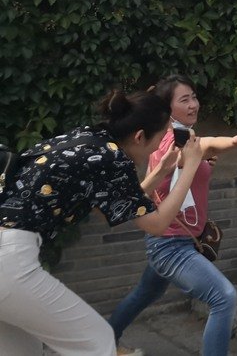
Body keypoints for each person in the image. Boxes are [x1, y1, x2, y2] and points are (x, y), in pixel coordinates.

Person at [0, 89, 203, 356]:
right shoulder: (111, 158)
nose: (160, 145)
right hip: (8, 260)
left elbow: (116, 205)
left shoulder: (90, 141)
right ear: (140, 136)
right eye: (162, 136)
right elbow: (156, 224)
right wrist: (191, 167)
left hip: (7, 255)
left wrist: (162, 171)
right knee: (97, 341)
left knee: (21, 350)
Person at [110, 75, 237, 356]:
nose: (193, 104)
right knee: (223, 297)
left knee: (146, 293)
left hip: (174, 239)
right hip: (171, 244)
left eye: (194, 97)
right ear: (168, 109)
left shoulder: (181, 137)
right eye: (184, 99)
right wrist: (232, 141)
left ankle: (104, 343)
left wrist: (206, 159)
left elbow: (201, 151)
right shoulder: (171, 142)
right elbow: (207, 145)